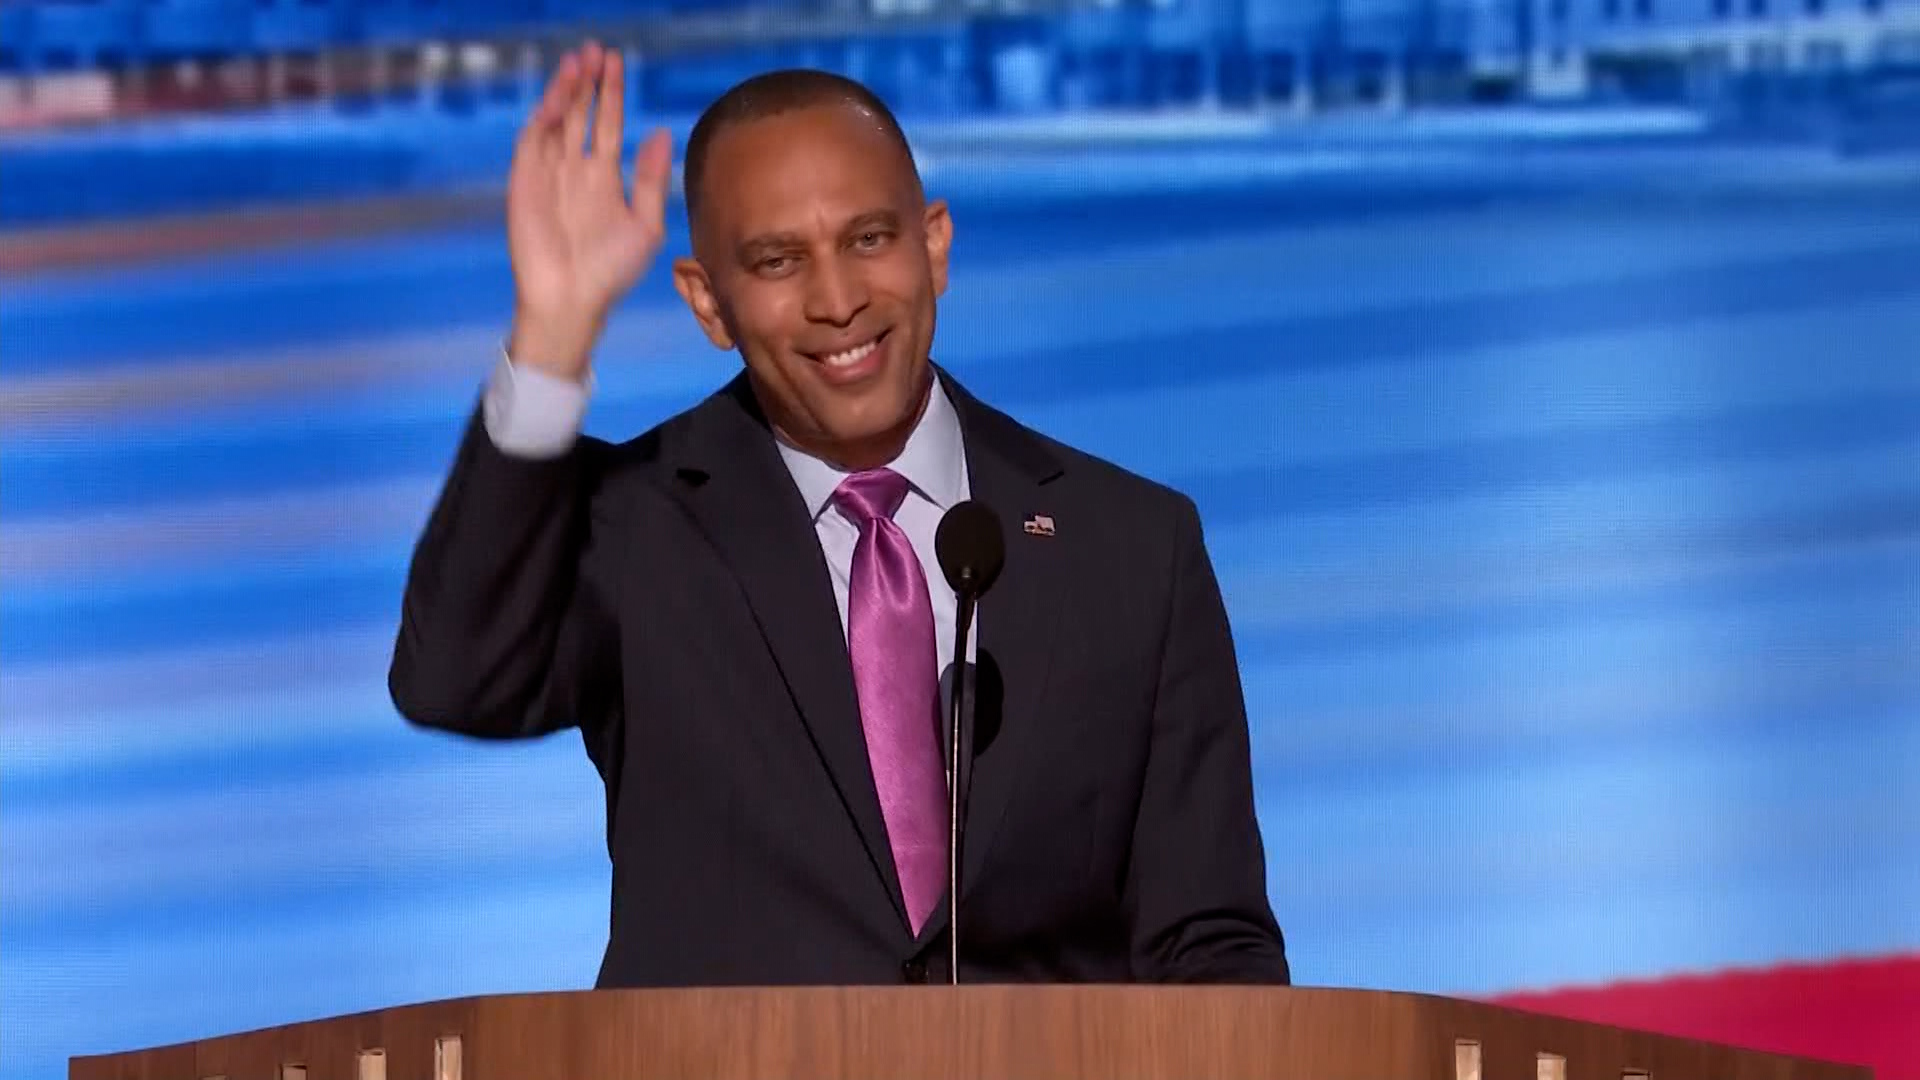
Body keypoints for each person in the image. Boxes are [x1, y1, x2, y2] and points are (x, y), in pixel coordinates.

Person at [389, 40, 1290, 987]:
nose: (838, 300)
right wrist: (553, 336)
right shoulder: (636, 527)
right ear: (708, 304)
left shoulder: (1133, 548)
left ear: (933, 244)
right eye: (778, 261)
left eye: (868, 240)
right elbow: (455, 679)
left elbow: (1211, 945)